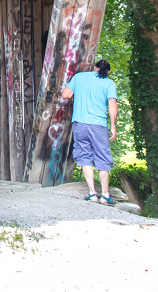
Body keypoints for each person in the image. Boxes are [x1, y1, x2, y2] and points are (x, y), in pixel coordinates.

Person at [61, 59, 118, 205]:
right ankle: (105, 195)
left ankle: (92, 193)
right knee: (103, 157)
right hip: (98, 125)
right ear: (108, 71)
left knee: (84, 155)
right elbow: (112, 104)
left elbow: (65, 95)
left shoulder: (79, 77)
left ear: (94, 68)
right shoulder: (109, 83)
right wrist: (113, 126)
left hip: (80, 123)